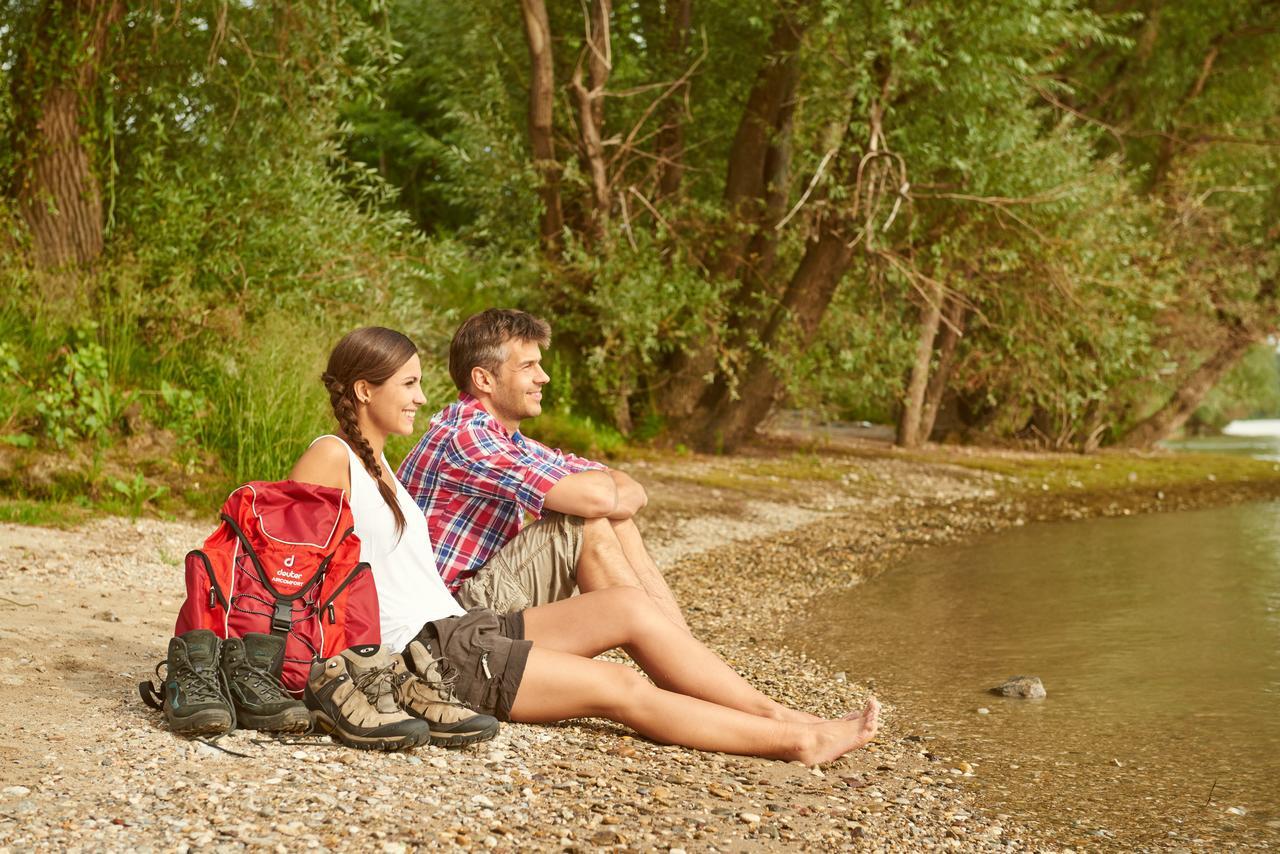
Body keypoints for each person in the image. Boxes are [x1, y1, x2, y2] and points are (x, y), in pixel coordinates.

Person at [288, 326, 880, 762]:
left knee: (627, 608)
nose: (421, 397)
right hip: (432, 660)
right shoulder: (331, 455)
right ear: (364, 391)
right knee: (621, 688)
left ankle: (772, 710)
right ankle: (796, 739)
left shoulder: (383, 470)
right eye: (409, 385)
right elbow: (283, 569)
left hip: (463, 630)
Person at [397, 309, 687, 630]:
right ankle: (676, 657)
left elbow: (634, 491)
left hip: (475, 601)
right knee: (585, 525)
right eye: (528, 366)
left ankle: (684, 656)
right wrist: (602, 494)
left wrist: (606, 493)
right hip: (444, 621)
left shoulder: (509, 441)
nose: (543, 376)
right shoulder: (468, 437)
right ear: (484, 379)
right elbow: (597, 499)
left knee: (617, 522)